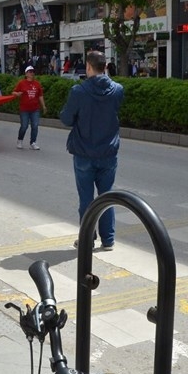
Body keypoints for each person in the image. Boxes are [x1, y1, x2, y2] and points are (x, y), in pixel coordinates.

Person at [59, 51, 125, 251]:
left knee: (86, 199)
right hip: (108, 151)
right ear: (105, 67)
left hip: (84, 152)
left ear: (88, 66)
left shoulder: (79, 91)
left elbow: (66, 119)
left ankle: (87, 239)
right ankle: (108, 239)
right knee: (107, 195)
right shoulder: (117, 90)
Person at [13, 66, 47, 150]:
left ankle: (33, 142)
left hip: (35, 109)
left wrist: (43, 106)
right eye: (30, 71)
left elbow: (40, 96)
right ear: (26, 74)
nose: (32, 73)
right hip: (24, 109)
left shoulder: (37, 84)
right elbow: (14, 92)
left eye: (33, 72)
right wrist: (17, 94)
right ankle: (20, 140)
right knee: (24, 126)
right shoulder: (21, 83)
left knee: (35, 126)